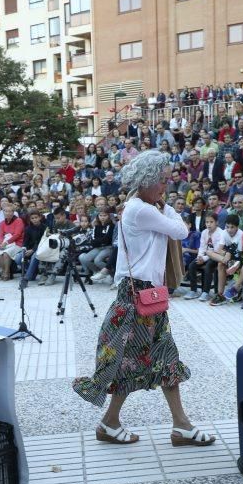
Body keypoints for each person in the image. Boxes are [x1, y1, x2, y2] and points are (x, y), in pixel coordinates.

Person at [73, 150, 216, 447]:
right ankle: (116, 423)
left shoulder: (143, 206)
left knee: (161, 359)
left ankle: (177, 425)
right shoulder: (140, 209)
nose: (166, 187)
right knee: (135, 361)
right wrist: (169, 209)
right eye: (163, 181)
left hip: (146, 295)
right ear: (148, 180)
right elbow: (180, 230)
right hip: (138, 295)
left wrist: (164, 206)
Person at [79, 207, 115, 278]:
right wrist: (100, 241)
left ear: (108, 216)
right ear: (98, 216)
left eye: (105, 215)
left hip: (108, 247)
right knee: (85, 259)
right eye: (100, 215)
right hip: (98, 247)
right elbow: (93, 240)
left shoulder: (111, 226)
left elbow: (107, 239)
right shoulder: (96, 226)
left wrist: (99, 240)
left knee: (97, 260)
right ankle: (98, 272)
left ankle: (112, 274)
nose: (102, 217)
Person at [0, 205, 25, 281]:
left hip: (17, 243)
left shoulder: (18, 221)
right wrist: (0, 243)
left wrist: (6, 242)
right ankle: (4, 271)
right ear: (3, 212)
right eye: (6, 211)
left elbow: (17, 234)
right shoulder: (2, 223)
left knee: (6, 253)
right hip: (5, 243)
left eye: (10, 211)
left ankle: (6, 272)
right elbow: (0, 235)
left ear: (13, 212)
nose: (8, 213)